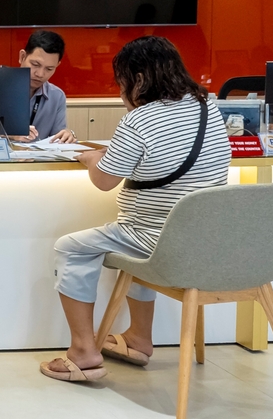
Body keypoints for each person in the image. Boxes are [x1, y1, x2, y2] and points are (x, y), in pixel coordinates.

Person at [41, 36, 231, 382]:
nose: (120, 91)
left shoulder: (140, 120)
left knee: (71, 247)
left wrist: (90, 157)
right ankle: (139, 339)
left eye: (122, 82)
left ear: (139, 80)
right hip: (210, 241)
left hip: (157, 239)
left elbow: (104, 180)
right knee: (134, 238)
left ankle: (83, 352)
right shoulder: (208, 106)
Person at [21, 30, 76, 143]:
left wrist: (66, 136)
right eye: (35, 65)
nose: (40, 74)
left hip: (40, 159)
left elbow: (57, 139)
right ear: (22, 57)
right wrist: (7, 134)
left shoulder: (57, 96)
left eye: (49, 69)